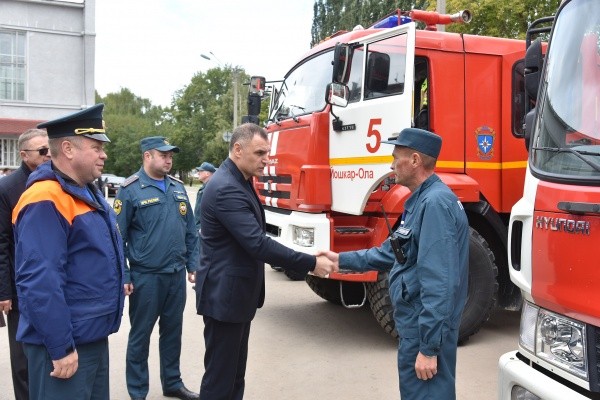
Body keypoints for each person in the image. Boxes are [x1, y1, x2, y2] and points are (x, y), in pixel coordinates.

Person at [319, 128, 469, 400]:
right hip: (417, 325)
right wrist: (339, 260)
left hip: (424, 329)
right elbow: (391, 253)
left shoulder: (435, 204)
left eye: (395, 157)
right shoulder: (423, 200)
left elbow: (440, 283)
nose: (391, 165)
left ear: (415, 160)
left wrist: (429, 349)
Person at [195, 123, 337, 400]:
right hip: (224, 298)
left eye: (267, 153)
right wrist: (311, 263)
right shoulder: (226, 188)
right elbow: (257, 244)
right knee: (220, 381)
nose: (266, 159)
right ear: (238, 149)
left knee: (234, 377)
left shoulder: (239, 180)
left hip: (234, 297)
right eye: (260, 153)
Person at [11, 104, 126, 400]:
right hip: (64, 344)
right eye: (96, 147)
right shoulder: (45, 197)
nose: (104, 154)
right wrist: (60, 346)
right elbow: (40, 280)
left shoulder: (86, 191)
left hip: (90, 335)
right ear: (68, 149)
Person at [114, 136, 199, 400]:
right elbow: (117, 238)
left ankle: (172, 383)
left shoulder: (177, 187)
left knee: (173, 333)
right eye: (163, 155)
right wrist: (125, 274)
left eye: (170, 155)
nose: (169, 160)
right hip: (146, 277)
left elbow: (191, 230)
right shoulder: (130, 189)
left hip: (175, 275)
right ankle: (138, 391)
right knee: (140, 336)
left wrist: (193, 264)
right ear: (147, 156)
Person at [0, 128, 51, 400]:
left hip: (53, 285)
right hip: (21, 289)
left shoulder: (58, 181)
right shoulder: (8, 188)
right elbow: (1, 243)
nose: (48, 155)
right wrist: (4, 292)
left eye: (50, 149)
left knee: (54, 355)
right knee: (22, 361)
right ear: (23, 155)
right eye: (42, 151)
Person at [193, 161, 216, 232]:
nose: (198, 173)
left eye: (201, 171)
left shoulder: (210, 188)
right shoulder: (207, 187)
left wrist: (200, 228)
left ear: (207, 174)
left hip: (203, 229)